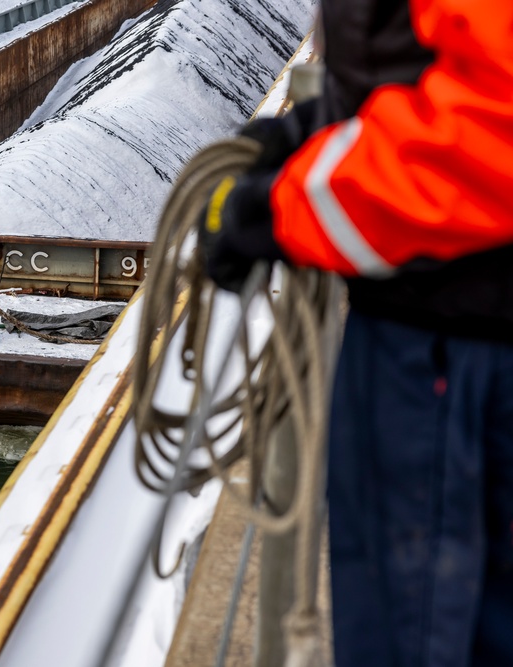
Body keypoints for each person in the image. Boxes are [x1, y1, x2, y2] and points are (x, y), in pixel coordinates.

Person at [198, 1, 513, 665]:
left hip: (455, 368)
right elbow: (443, 68)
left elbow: (490, 137)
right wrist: (314, 129)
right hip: (434, 344)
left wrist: (279, 208)